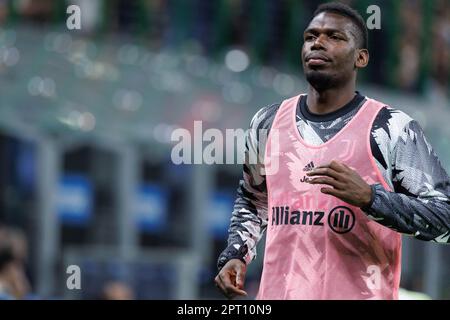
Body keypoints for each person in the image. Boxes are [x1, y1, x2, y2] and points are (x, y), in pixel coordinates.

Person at [215, 2, 450, 300]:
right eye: (311, 36)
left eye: (335, 37)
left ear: (361, 58)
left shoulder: (391, 128)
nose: (318, 43)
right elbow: (253, 199)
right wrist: (237, 252)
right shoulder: (267, 122)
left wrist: (371, 198)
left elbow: (446, 219)